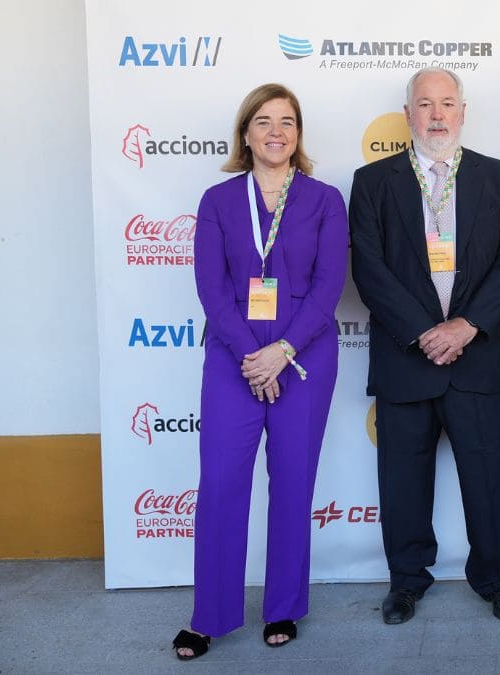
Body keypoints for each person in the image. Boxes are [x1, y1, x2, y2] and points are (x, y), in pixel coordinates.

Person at [172, 83, 348, 660]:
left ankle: (283, 607)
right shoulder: (218, 200)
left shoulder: (324, 199)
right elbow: (211, 287)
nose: (277, 132)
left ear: (299, 135)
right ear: (245, 133)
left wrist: (282, 352)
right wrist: (253, 354)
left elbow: (328, 289)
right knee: (222, 484)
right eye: (265, 122)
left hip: (304, 359)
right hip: (233, 357)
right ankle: (211, 615)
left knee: (293, 483)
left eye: (288, 122)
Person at [348, 67, 500, 625]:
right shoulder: (373, 180)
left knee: (488, 475)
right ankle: (406, 581)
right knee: (402, 478)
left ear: (463, 112)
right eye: (424, 104)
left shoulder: (497, 177)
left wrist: (466, 326)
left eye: (446, 103)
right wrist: (425, 332)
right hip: (407, 356)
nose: (436, 115)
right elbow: (368, 268)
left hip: (477, 353)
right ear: (408, 114)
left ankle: (497, 579)